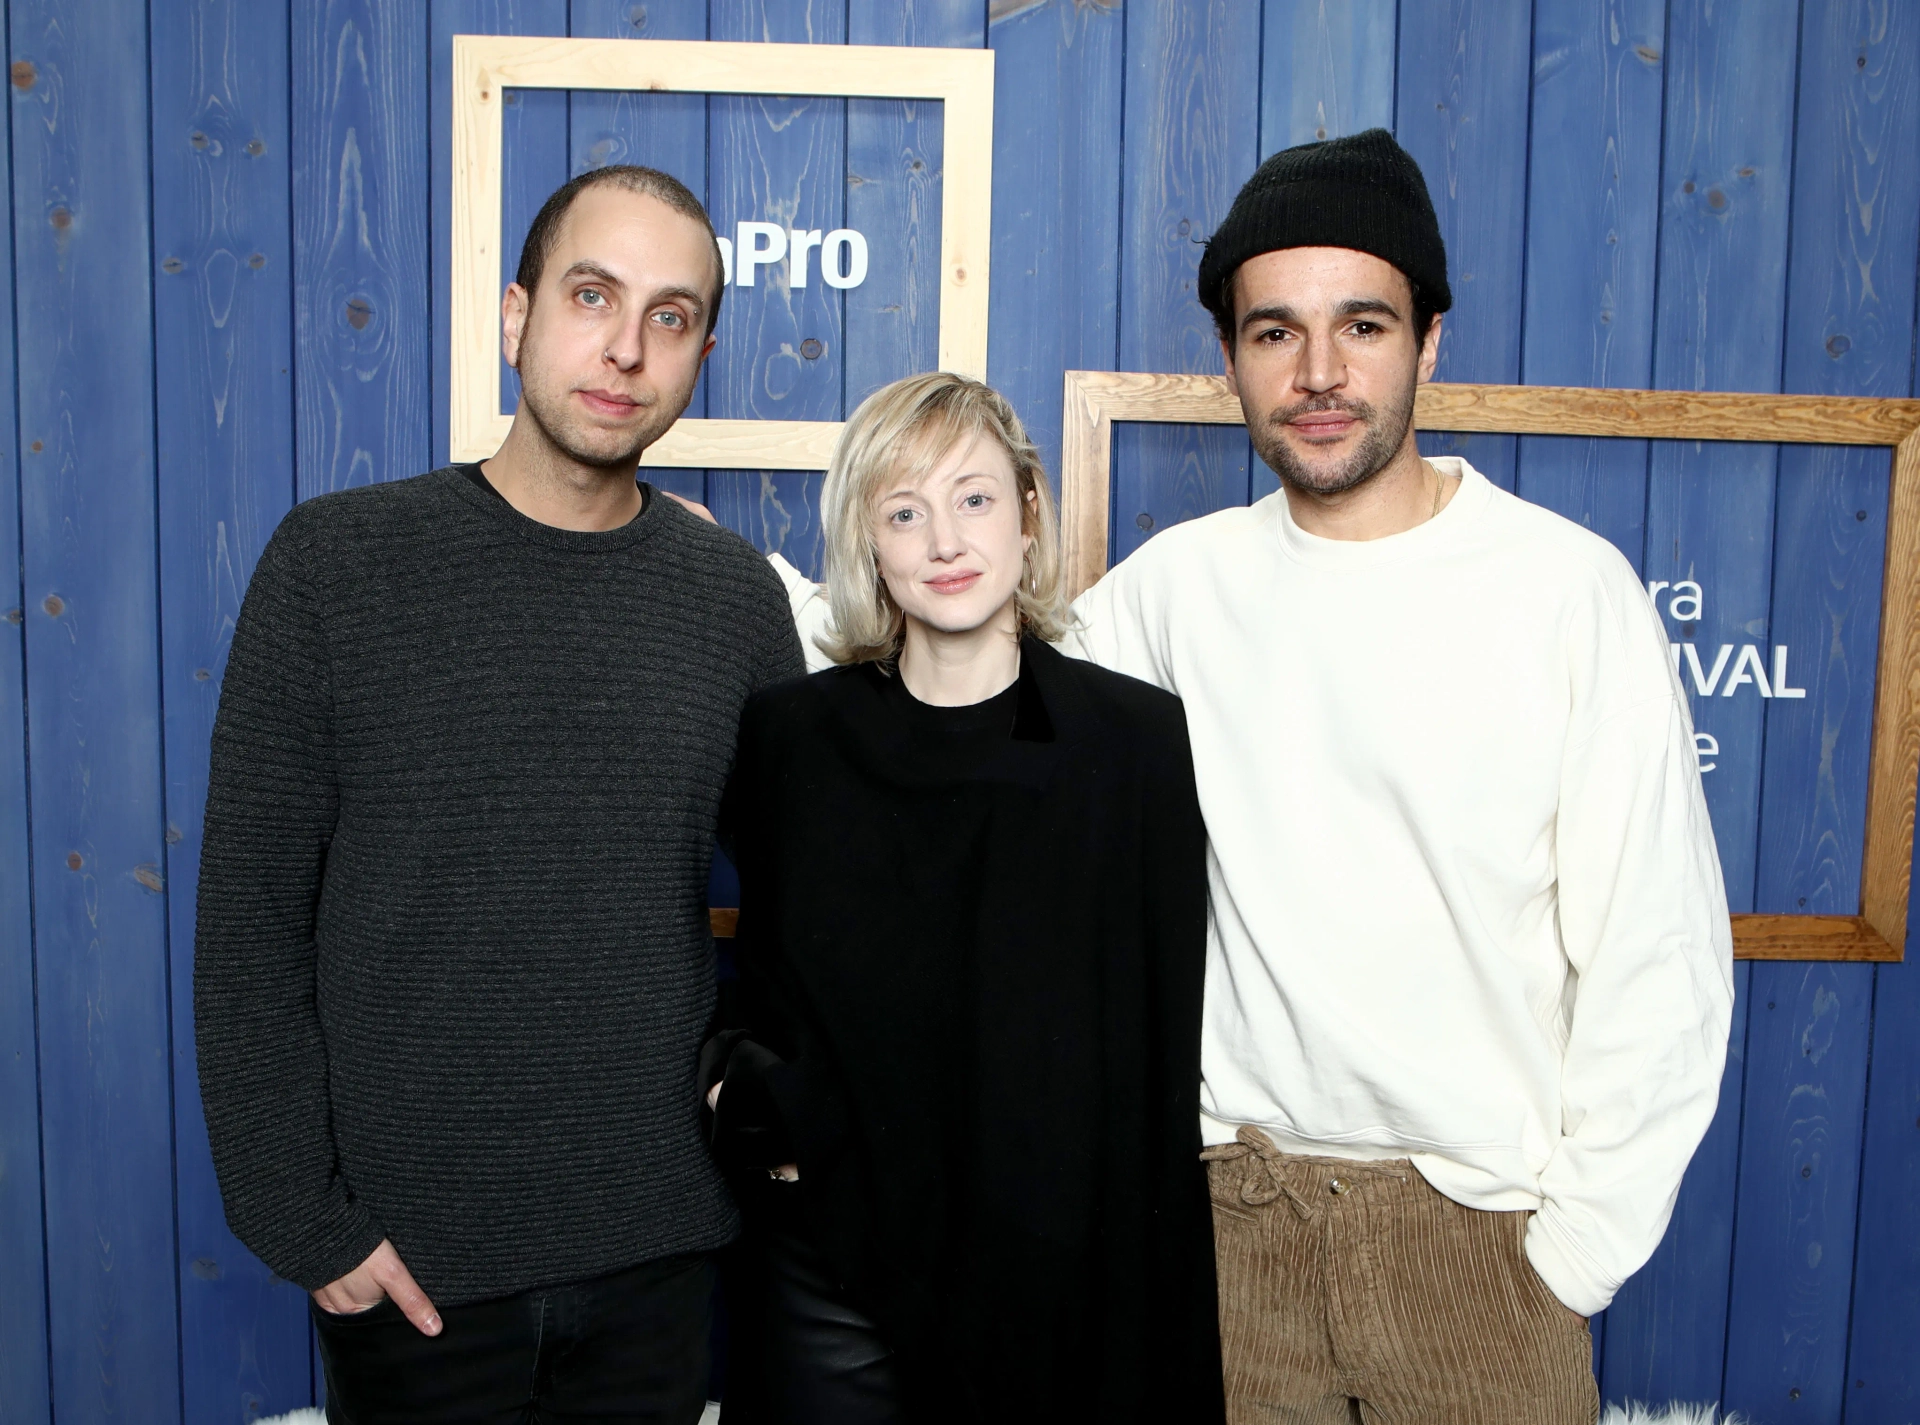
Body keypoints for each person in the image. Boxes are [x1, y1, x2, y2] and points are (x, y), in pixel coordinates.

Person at [778, 130, 1734, 1424]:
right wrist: (733, 587)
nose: (1322, 372)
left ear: (1430, 339)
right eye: (1276, 332)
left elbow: (1657, 958)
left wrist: (1568, 1257)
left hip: (1474, 1250)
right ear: (1230, 358)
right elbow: (964, 671)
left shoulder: (1568, 593)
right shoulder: (1183, 586)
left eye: (1364, 326)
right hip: (1231, 1230)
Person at [194, 165, 802, 1425]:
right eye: (593, 296)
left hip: (663, 1255)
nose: (626, 348)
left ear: (699, 356)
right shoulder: (336, 565)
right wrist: (302, 1223)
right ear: (518, 317)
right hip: (414, 1272)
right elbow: (249, 933)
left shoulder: (732, 601)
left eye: (672, 316)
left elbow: (816, 897)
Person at [706, 372, 1224, 1424]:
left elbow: (1158, 1056)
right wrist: (745, 1101)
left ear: (1029, 514)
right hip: (837, 1265)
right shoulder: (793, 737)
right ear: (870, 544)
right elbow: (767, 986)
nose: (944, 539)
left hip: (1055, 1269)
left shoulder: (1133, 744)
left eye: (974, 498)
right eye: (905, 511)